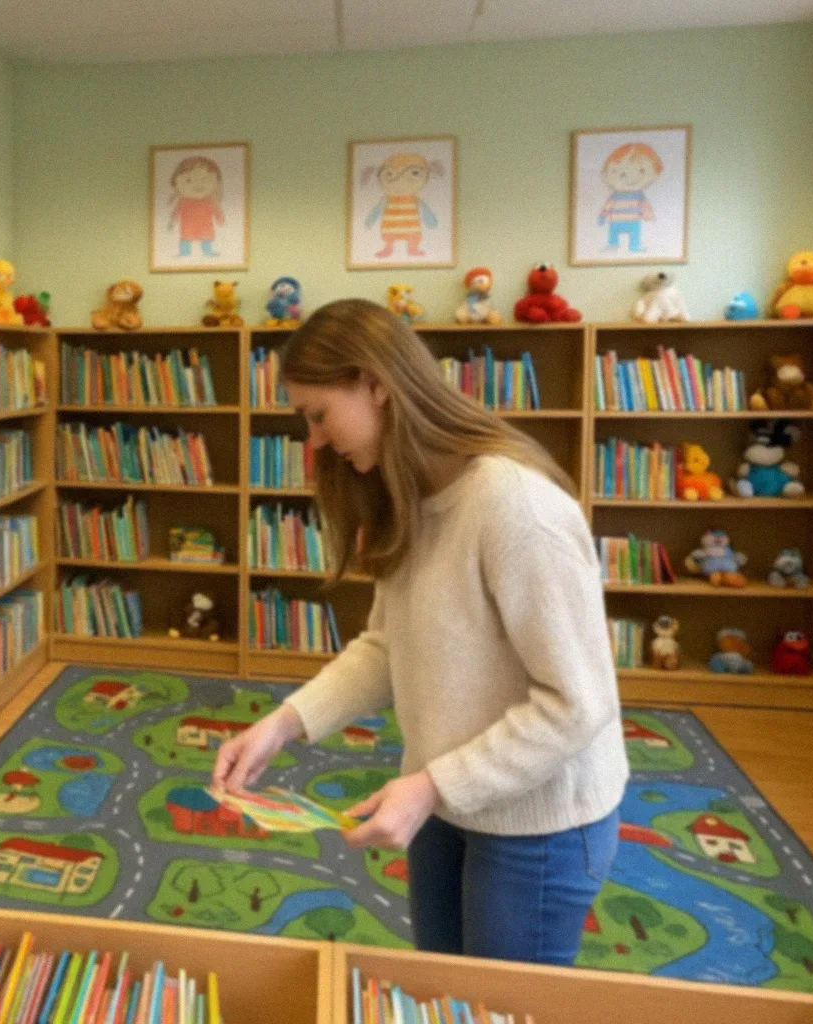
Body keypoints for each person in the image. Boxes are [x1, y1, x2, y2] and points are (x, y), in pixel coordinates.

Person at [212, 299, 628, 966]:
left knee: (499, 1010)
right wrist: (282, 725)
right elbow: (386, 646)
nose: (314, 440)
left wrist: (434, 786)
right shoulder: (413, 497)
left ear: (376, 384)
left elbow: (578, 704)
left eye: (319, 414)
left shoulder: (516, 508)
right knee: (444, 992)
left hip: (539, 824)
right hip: (449, 801)